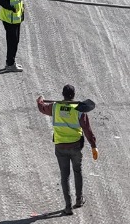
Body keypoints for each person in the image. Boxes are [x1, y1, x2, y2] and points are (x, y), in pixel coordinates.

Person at [36, 84, 98, 215]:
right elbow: (87, 130)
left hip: (60, 146)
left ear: (62, 94)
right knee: (77, 171)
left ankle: (68, 206)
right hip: (75, 146)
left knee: (65, 176)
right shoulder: (79, 110)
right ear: (73, 95)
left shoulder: (55, 107)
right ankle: (79, 200)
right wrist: (93, 146)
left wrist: (40, 100)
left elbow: (42, 108)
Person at [0, 0, 24, 72]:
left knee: (15, 41)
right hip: (9, 20)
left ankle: (10, 63)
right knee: (12, 42)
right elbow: (1, 1)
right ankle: (10, 64)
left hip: (16, 20)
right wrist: (11, 8)